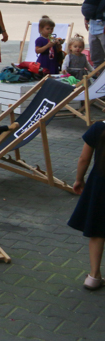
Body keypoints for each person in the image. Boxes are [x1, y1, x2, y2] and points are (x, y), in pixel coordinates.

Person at [68, 118, 105, 290]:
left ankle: (93, 276)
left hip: (100, 185)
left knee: (97, 231)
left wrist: (79, 179)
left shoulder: (98, 128)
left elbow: (84, 159)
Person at [82, 0, 105, 68]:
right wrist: (87, 17)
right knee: (96, 60)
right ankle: (98, 77)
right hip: (94, 27)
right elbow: (93, 3)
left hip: (103, 28)